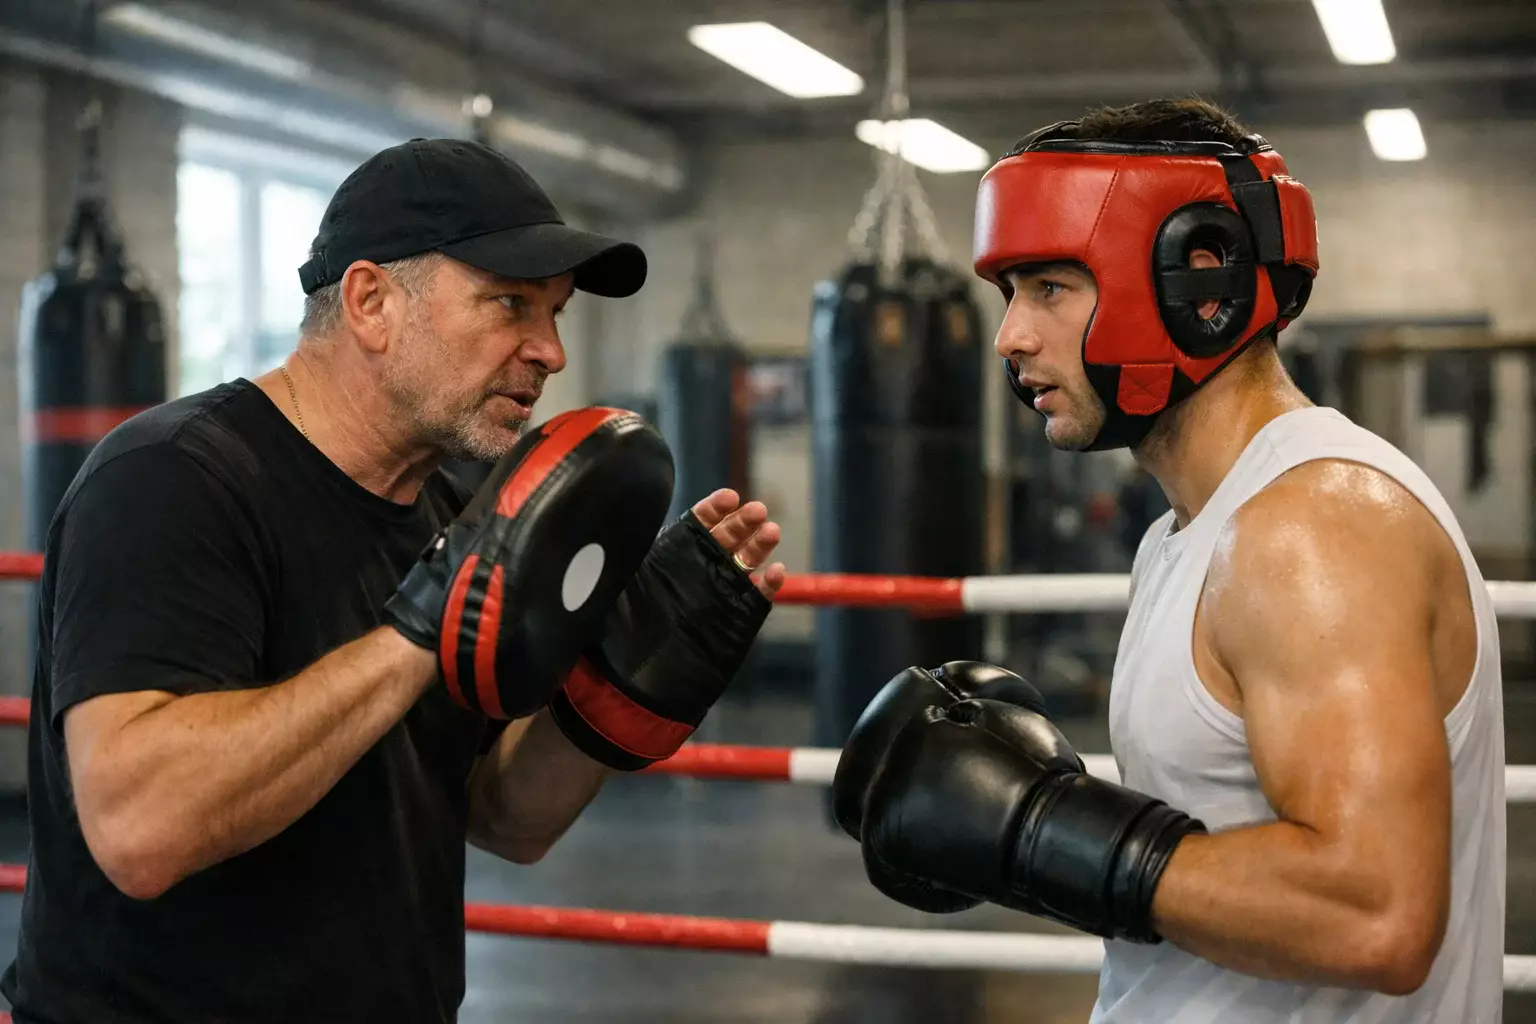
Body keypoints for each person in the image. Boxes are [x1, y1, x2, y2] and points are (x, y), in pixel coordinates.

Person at [2, 137, 787, 1023]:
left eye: (556, 313)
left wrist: (613, 696)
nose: (550, 352)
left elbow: (506, 818)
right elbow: (141, 832)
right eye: (510, 304)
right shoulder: (171, 482)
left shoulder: (461, 501)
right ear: (372, 302)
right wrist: (420, 627)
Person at [833, 98, 1504, 1022]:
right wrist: (1056, 829)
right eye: (1009, 295)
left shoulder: (1311, 528)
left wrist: (1038, 830)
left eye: (1050, 289)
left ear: (1197, 275)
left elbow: (1375, 915)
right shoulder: (1191, 530)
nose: (1011, 337)